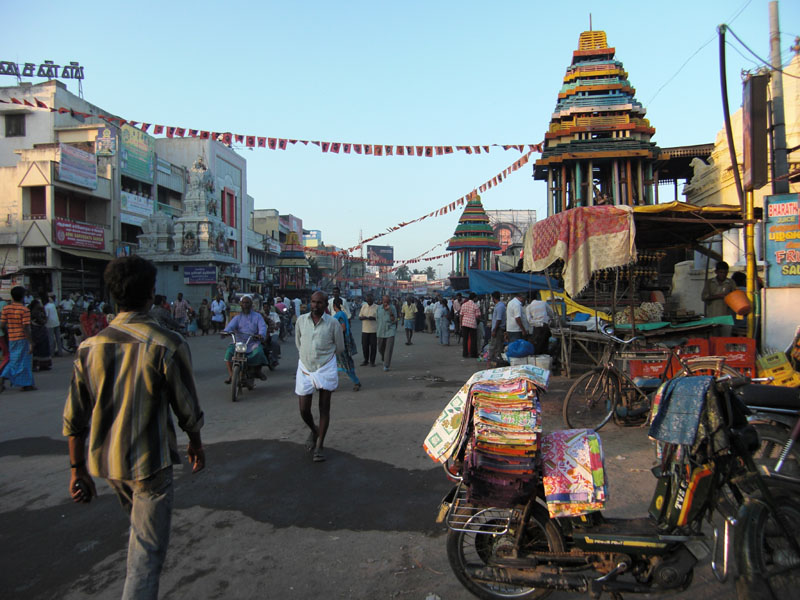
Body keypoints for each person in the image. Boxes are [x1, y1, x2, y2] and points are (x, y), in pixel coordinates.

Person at [63, 256, 205, 600]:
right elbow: (187, 409)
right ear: (151, 293)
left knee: (140, 532)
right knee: (145, 559)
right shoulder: (165, 343)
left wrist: (77, 469)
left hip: (107, 464)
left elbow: (74, 418)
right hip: (149, 464)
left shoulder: (88, 348)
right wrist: (196, 444)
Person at [295, 291, 344, 463]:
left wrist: (323, 358)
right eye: (313, 302)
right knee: (303, 409)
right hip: (305, 367)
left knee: (324, 408)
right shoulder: (301, 321)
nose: (316, 306)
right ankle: (314, 430)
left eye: (319, 303)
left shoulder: (333, 323)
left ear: (325, 305)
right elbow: (298, 343)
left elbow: (339, 347)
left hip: (325, 367)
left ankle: (320, 446)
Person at [221, 295, 268, 383]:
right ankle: (231, 375)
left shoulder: (257, 316)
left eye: (247, 303)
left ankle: (258, 371)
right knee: (228, 353)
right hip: (239, 343)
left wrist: (261, 334)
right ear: (241, 305)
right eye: (243, 303)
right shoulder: (237, 317)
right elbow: (230, 326)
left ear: (251, 304)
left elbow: (262, 327)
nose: (245, 305)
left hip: (252, 342)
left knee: (259, 352)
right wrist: (225, 332)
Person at [0, 286, 36, 392]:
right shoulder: (24, 310)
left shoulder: (6, 308)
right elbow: (26, 327)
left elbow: (2, 324)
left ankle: (23, 383)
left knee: (14, 360)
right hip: (22, 339)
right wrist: (31, 342)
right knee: (24, 362)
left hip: (12, 339)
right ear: (22, 297)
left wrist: (10, 328)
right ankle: (26, 384)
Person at [701, 260, 736, 337]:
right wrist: (719, 296)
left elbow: (735, 298)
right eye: (721, 272)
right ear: (716, 272)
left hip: (726, 317)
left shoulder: (731, 283)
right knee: (713, 339)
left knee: (725, 340)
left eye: (725, 273)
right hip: (712, 316)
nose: (723, 275)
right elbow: (704, 297)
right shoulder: (710, 282)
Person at [333, 297, 361, 391]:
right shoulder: (342, 314)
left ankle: (356, 382)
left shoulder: (339, 315)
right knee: (336, 365)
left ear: (334, 306)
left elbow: (343, 328)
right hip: (342, 342)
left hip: (341, 343)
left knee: (345, 364)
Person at [29, 299, 53, 371]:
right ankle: (38, 365)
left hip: (40, 332)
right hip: (38, 331)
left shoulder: (38, 311)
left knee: (42, 349)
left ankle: (43, 365)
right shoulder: (35, 312)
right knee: (39, 349)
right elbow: (43, 321)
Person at [377, 295, 398, 370]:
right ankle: (383, 357)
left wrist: (390, 311)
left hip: (390, 330)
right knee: (380, 347)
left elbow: (394, 319)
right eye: (384, 301)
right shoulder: (379, 308)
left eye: (387, 301)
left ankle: (386, 365)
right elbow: (377, 319)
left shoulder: (393, 308)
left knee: (388, 349)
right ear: (382, 301)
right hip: (380, 330)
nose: (386, 303)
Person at [459, 293, 482, 358]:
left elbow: (461, 315)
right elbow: (478, 316)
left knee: (465, 340)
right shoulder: (475, 306)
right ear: (474, 298)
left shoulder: (464, 305)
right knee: (473, 340)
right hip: (472, 324)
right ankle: (473, 354)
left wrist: (461, 324)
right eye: (476, 298)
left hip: (464, 323)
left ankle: (465, 354)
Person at [358, 294, 378, 367]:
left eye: (370, 300)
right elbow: (360, 316)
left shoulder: (377, 307)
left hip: (373, 330)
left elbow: (379, 318)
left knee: (373, 346)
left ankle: (372, 361)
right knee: (364, 346)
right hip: (365, 330)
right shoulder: (364, 306)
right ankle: (365, 360)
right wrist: (363, 318)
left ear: (373, 299)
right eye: (367, 300)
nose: (368, 301)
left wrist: (373, 318)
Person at [489, 291, 506, 363]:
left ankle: (495, 360)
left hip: (498, 329)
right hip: (497, 328)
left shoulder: (500, 306)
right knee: (495, 345)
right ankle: (494, 359)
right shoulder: (499, 306)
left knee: (496, 345)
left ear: (493, 298)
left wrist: (494, 330)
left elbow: (498, 319)